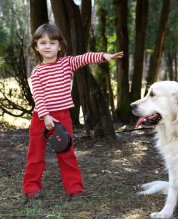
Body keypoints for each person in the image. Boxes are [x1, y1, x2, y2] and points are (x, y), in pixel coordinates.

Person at [23, 23, 123, 201]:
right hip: (41, 118)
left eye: (52, 43)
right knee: (35, 155)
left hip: (62, 117)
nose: (48, 46)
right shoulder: (37, 72)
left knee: (66, 153)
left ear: (60, 46)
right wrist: (45, 116)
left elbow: (86, 58)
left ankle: (74, 188)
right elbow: (38, 95)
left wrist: (105, 56)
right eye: (43, 42)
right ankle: (31, 187)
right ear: (36, 46)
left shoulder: (66, 63)